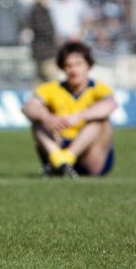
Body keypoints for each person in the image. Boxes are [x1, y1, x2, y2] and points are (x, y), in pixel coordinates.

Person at [21, 41, 117, 178]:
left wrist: (79, 116)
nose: (73, 70)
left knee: (100, 122)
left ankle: (64, 160)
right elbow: (28, 106)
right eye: (68, 65)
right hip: (59, 142)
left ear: (88, 66)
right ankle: (60, 161)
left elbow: (110, 105)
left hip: (90, 155)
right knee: (38, 121)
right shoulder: (51, 88)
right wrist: (46, 117)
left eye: (78, 64)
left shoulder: (98, 89)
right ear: (62, 68)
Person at [28, 0, 59, 83]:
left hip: (42, 51)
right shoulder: (39, 6)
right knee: (53, 83)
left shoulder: (44, 5)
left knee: (40, 84)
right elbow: (41, 27)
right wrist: (54, 37)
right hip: (45, 51)